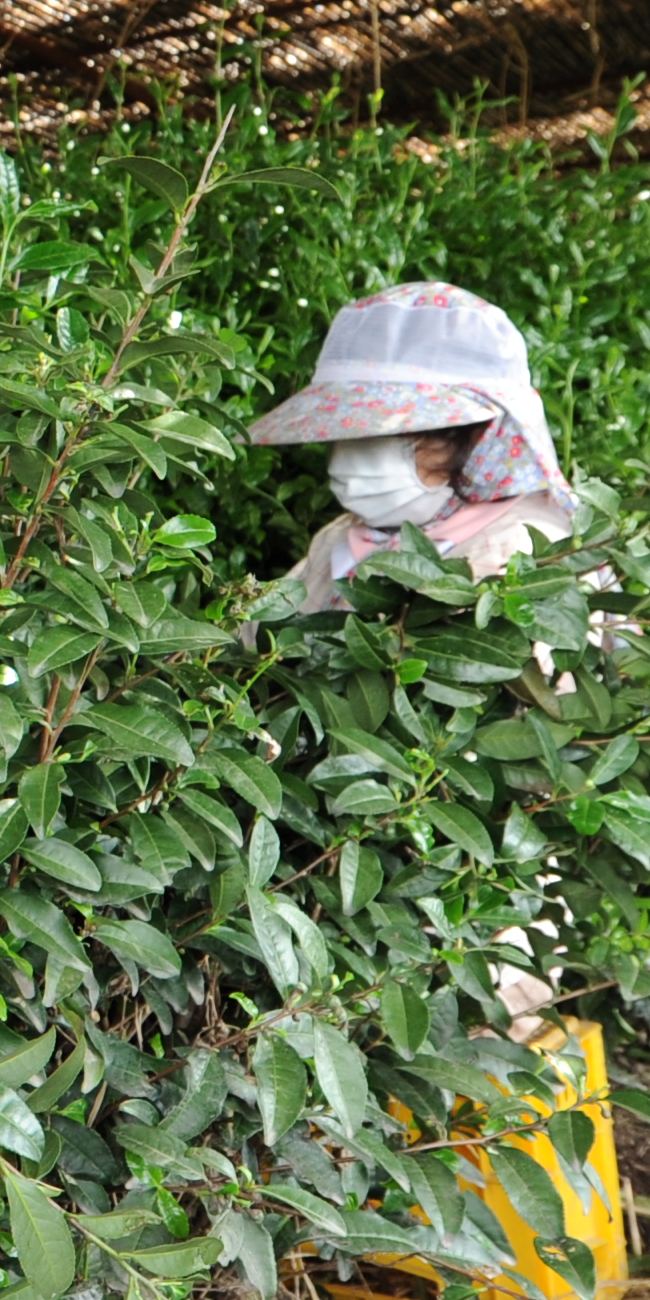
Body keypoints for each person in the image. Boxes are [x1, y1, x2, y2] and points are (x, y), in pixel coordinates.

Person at [249, 282, 582, 1032]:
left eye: (395, 438)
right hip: (348, 835)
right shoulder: (343, 542)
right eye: (348, 437)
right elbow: (272, 631)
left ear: (475, 436)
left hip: (472, 856)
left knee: (477, 1018)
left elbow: (534, 721)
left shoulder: (524, 551)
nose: (353, 463)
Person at [245, 282, 579, 610]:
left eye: (394, 431)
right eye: (343, 432)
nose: (347, 457)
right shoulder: (344, 536)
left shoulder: (520, 557)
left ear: (481, 436)